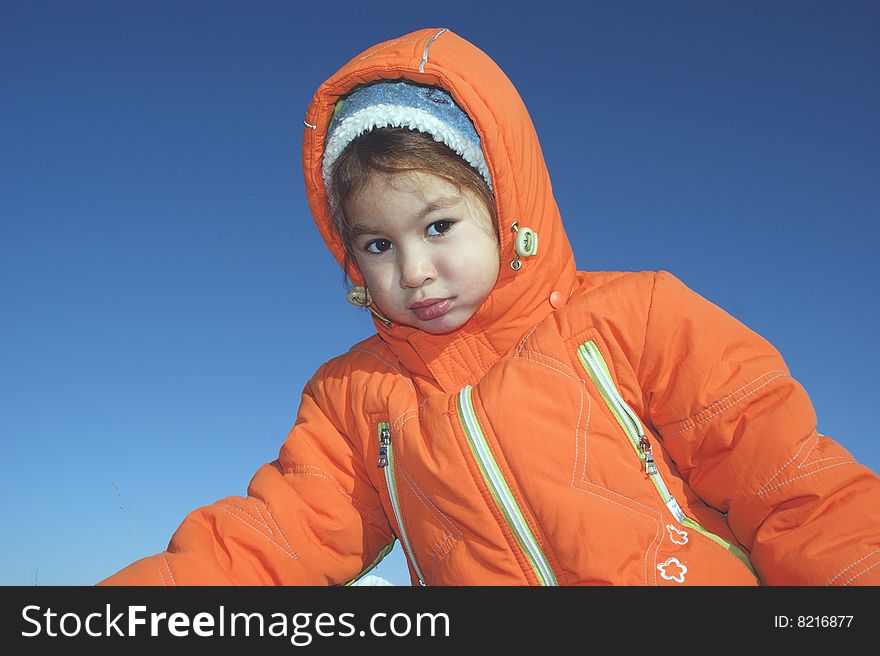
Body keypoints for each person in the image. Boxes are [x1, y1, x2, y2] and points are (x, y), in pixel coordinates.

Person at [100, 28, 880, 586]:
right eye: (375, 245)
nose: (414, 270)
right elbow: (269, 545)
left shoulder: (634, 317)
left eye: (439, 226)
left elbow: (790, 485)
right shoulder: (351, 402)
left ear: (508, 208)